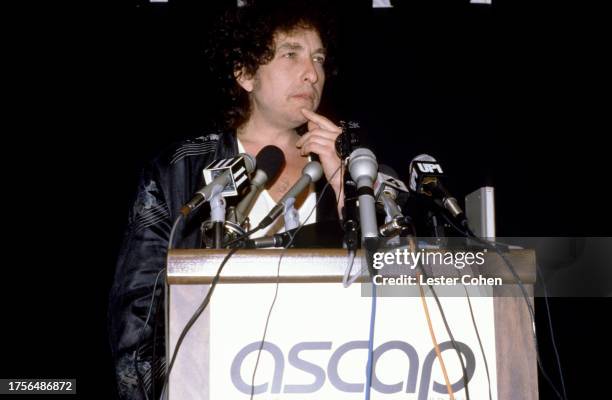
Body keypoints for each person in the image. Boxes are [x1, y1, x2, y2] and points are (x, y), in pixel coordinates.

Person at [108, 1, 344, 399]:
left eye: (318, 58)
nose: (312, 72)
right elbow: (138, 314)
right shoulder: (179, 169)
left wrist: (344, 186)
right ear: (246, 73)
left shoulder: (353, 165)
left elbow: (404, 280)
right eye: (291, 54)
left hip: (332, 379)